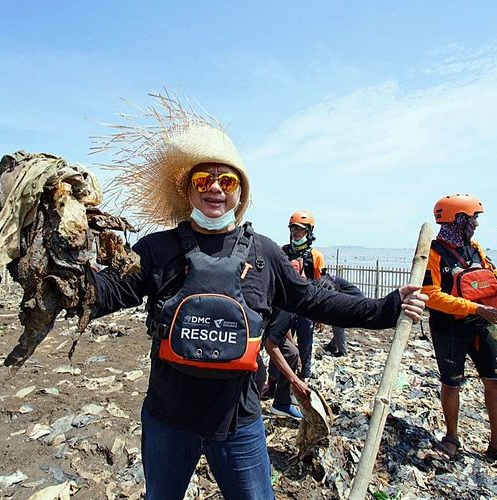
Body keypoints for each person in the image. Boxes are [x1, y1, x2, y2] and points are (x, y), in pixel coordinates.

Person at [90, 94, 428, 499]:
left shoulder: (264, 253)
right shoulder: (156, 249)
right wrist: (52, 276)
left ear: (240, 190)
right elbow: (106, 292)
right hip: (168, 418)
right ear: (188, 190)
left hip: (240, 421)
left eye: (226, 180)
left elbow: (316, 301)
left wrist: (387, 308)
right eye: (203, 180)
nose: (215, 188)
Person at [422, 193, 497, 478]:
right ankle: (452, 437)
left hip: (483, 326)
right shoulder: (433, 253)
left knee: (496, 381)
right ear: (458, 219)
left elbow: (490, 274)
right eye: (473, 218)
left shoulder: (475, 249)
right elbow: (431, 296)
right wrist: (476, 308)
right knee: (451, 383)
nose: (477, 224)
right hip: (449, 328)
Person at [262, 259, 313, 420]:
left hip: (266, 327)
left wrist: (293, 348)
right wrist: (295, 379)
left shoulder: (291, 295)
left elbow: (283, 329)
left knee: (291, 352)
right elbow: (272, 343)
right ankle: (280, 403)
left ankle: (280, 398)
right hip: (257, 328)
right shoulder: (291, 298)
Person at [281, 211, 326, 378]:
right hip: (285, 307)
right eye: (293, 228)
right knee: (280, 343)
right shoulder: (283, 252)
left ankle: (303, 379)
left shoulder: (315, 256)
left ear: (309, 231)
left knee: (305, 346)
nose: (295, 232)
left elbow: (320, 285)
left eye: (299, 229)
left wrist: (320, 314)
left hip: (306, 309)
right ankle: (278, 379)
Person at [320, 274, 365, 357]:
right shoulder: (328, 279)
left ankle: (342, 351)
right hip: (355, 301)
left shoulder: (327, 282)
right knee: (336, 320)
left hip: (355, 304)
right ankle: (333, 345)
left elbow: (328, 297)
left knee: (336, 322)